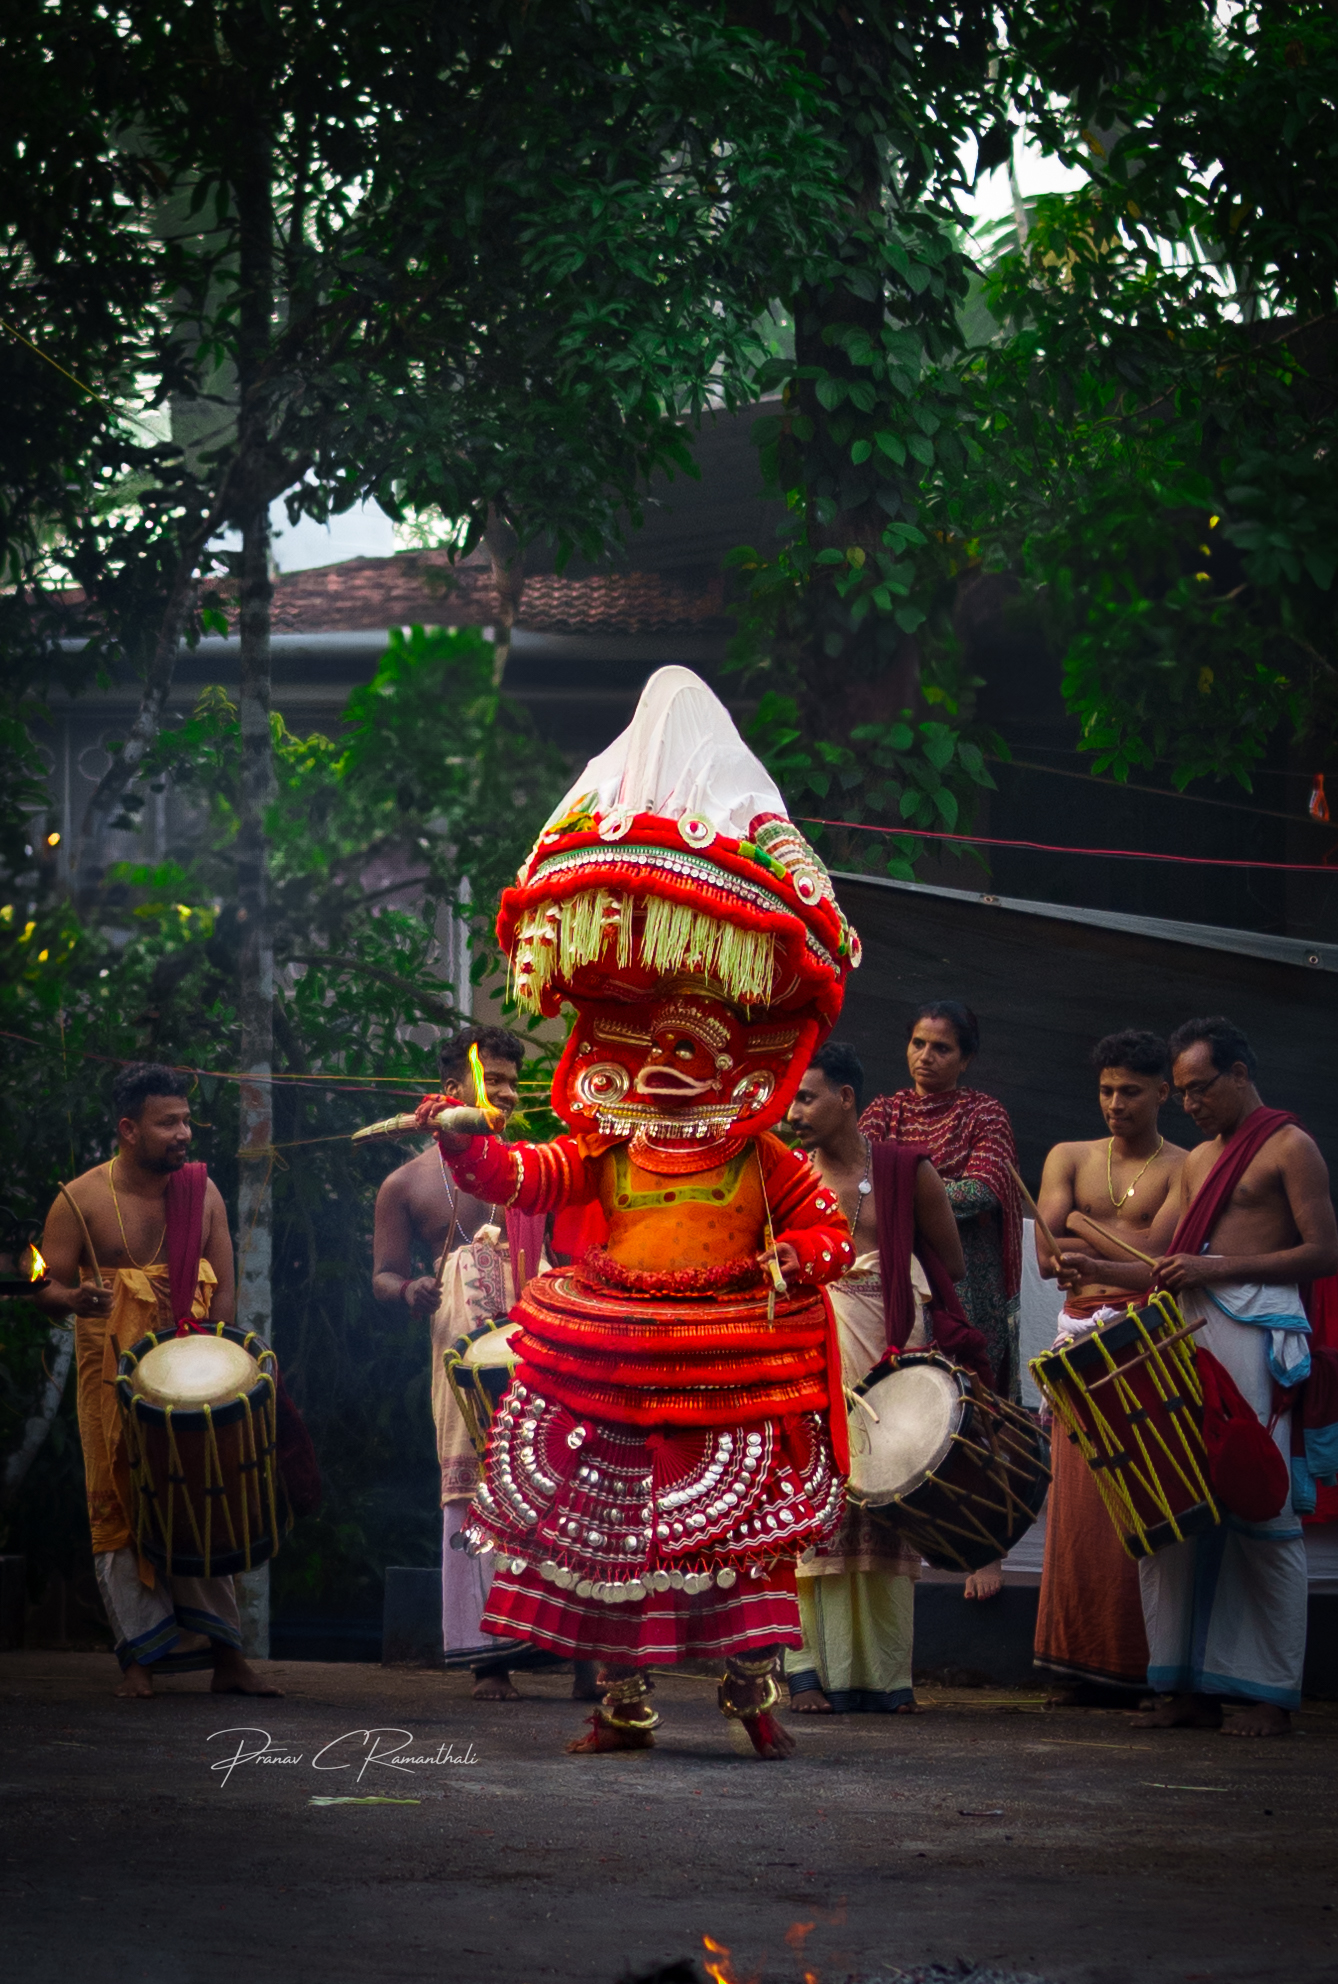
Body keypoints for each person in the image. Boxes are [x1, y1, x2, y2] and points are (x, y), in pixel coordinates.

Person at [417, 665, 861, 1759]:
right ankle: (621, 1703)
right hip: (614, 1353)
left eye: (691, 1046)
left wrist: (795, 1263)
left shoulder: (759, 1153)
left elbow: (830, 1234)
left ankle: (752, 1692)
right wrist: (470, 1150)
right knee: (613, 1533)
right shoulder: (609, 1142)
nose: (666, 1067)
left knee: (740, 1536)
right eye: (650, 1044)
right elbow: (534, 1176)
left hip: (728, 1360)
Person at [36, 1064, 280, 1699]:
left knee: (204, 1499)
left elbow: (224, 1293)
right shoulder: (79, 1199)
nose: (184, 1134)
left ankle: (229, 1659)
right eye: (167, 1122)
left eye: (186, 1120)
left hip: (192, 1367)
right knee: (117, 1498)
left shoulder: (204, 1193)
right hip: (110, 1370)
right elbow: (45, 1285)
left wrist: (217, 1372)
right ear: (128, 1129)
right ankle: (136, 1664)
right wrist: (76, 1298)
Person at [373, 1024, 598, 1702]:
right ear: (452, 1092)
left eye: (509, 1081)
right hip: (458, 1348)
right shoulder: (405, 1183)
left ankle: (583, 1655)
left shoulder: (535, 1168)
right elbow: (382, 1276)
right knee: (469, 1491)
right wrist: (411, 1288)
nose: (502, 1092)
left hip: (541, 1335)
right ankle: (487, 1659)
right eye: (489, 1080)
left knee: (566, 1477)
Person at [1139, 1016, 1338, 1737]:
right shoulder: (1194, 1161)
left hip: (1257, 1338)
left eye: (1200, 1088)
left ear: (1239, 1075)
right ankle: (1182, 1687)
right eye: (1182, 1093)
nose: (1189, 1104)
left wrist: (1214, 1270)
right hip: (1192, 1332)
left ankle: (1269, 1694)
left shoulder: (1292, 1147)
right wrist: (1097, 1268)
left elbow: (1323, 1255)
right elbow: (1164, 1253)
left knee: (1260, 1506)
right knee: (1171, 1502)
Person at [783, 1041, 972, 1713]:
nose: (792, 1111)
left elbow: (945, 1261)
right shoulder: (782, 1174)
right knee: (810, 1503)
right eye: (789, 1099)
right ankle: (803, 1672)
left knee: (889, 1502)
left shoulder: (903, 1171)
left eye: (805, 1097)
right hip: (807, 1352)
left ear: (845, 1098)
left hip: (892, 1347)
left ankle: (886, 1677)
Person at [1033, 1029, 1186, 1704]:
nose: (1114, 1103)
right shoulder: (1067, 1153)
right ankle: (1073, 1665)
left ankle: (1139, 1667)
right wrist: (1108, 1247)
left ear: (1162, 1093)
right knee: (1075, 1505)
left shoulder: (1187, 1165)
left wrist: (1085, 1240)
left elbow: (1157, 1256)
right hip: (1075, 1342)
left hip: (1143, 1340)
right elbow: (1044, 1251)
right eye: (1104, 1090)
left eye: (1128, 1091)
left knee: (1136, 1493)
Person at [859, 999, 1023, 1600]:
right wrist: (913, 1191)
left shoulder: (986, 1113)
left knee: (975, 1410)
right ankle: (895, 1540)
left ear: (967, 1059)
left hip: (967, 1281)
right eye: (919, 1044)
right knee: (901, 1404)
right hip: (894, 1280)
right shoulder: (882, 1110)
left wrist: (906, 1191)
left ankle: (987, 1550)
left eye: (943, 1048)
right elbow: (859, 1182)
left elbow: (982, 1191)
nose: (926, 1057)